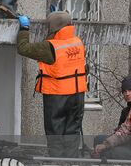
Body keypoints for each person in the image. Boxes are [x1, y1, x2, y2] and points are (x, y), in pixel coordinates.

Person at [15, 10, 86, 155]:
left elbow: (23, 48)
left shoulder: (50, 47)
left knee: (55, 133)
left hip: (57, 96)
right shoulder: (77, 42)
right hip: (77, 95)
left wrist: (24, 28)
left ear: (53, 27)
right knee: (72, 132)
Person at [92, 76, 131, 154]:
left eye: (130, 90)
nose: (127, 94)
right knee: (99, 139)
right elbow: (119, 130)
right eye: (124, 91)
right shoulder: (125, 111)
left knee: (110, 150)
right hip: (121, 139)